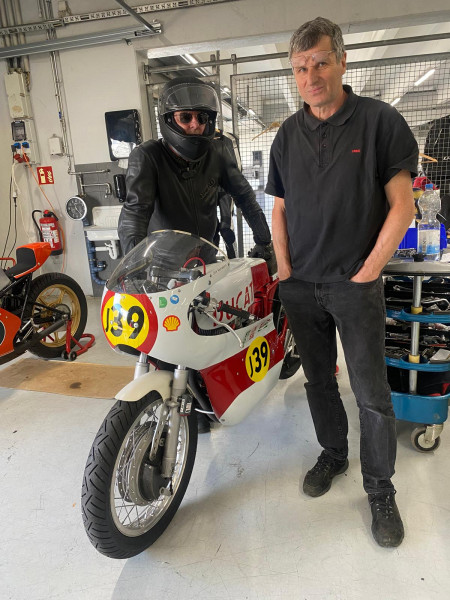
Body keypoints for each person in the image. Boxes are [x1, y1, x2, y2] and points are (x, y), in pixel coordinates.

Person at [266, 17, 418, 548]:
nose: (311, 76)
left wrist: (368, 272)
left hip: (355, 288)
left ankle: (380, 489)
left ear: (342, 61)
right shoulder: (286, 134)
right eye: (301, 67)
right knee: (319, 382)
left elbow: (403, 206)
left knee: (372, 394)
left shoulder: (380, 123)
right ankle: (333, 454)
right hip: (302, 287)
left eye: (321, 62)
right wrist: (284, 271)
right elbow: (279, 208)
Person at [118, 76, 275, 432]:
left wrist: (266, 242)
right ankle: (171, 403)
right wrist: (132, 264)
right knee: (161, 341)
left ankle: (207, 399)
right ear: (168, 119)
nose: (195, 125)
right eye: (186, 117)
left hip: (207, 259)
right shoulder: (148, 156)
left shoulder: (219, 150)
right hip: (159, 265)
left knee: (211, 332)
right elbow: (134, 213)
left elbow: (246, 197)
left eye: (202, 118)